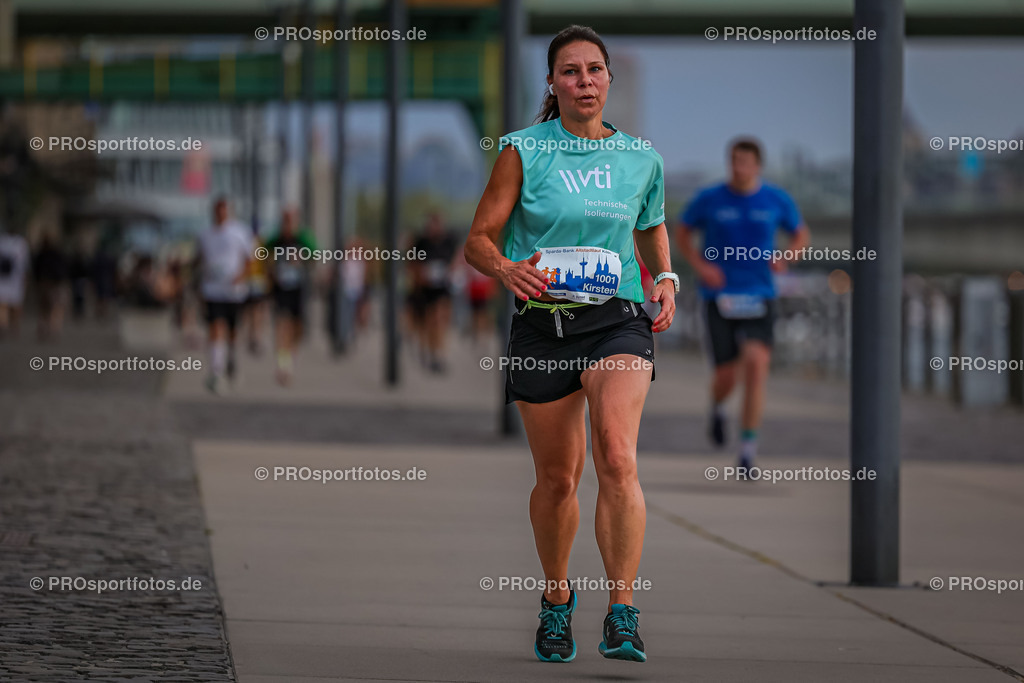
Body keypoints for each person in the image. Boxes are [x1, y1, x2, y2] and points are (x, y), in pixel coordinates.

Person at [464, 25, 677, 664]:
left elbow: (651, 226)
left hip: (616, 323)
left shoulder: (642, 157)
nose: (584, 82)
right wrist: (505, 269)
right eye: (570, 72)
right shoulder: (522, 151)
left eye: (594, 70)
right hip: (543, 326)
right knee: (558, 479)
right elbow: (478, 239)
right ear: (553, 86)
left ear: (609, 79)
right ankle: (557, 600)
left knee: (616, 456)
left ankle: (623, 612)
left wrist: (664, 277)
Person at [676, 138, 811, 470]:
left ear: (758, 166)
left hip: (760, 293)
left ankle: (748, 449)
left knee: (755, 365)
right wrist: (701, 266)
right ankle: (719, 408)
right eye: (734, 161)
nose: (739, 168)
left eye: (746, 162)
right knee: (726, 375)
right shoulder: (709, 198)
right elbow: (681, 231)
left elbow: (801, 234)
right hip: (719, 296)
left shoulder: (776, 199)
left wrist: (787, 258)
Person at [195, 196, 254, 394]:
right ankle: (216, 371)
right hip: (213, 289)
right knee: (215, 326)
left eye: (224, 210)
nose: (221, 214)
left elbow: (249, 259)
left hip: (234, 291)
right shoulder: (205, 235)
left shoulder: (240, 232)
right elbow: (200, 259)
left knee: (232, 330)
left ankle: (231, 358)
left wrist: (241, 276)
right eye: (217, 210)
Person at [263, 207, 317, 385]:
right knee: (281, 325)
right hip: (281, 289)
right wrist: (270, 271)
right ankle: (283, 366)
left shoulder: (303, 238)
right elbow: (262, 254)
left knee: (297, 329)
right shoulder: (276, 239)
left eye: (291, 220)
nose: (288, 224)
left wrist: (301, 258)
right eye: (285, 220)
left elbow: (316, 255)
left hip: (299, 288)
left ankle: (290, 359)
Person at [410, 213, 458, 373]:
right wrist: (420, 277)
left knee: (440, 319)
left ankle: (439, 353)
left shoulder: (448, 242)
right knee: (428, 322)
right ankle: (430, 351)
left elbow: (456, 260)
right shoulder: (422, 243)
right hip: (426, 289)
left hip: (442, 288)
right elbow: (413, 263)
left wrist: (452, 271)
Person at [33, 235, 69, 340]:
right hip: (56, 284)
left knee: (44, 308)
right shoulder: (57, 255)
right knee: (56, 307)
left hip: (44, 283)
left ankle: (44, 327)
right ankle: (54, 328)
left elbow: (36, 270)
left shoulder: (41, 255)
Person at [0, 227, 29, 337]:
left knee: (4, 304)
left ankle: (5, 325)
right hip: (14, 278)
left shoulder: (2, 242)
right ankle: (11, 326)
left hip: (7, 278)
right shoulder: (21, 243)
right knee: (13, 305)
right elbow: (25, 264)